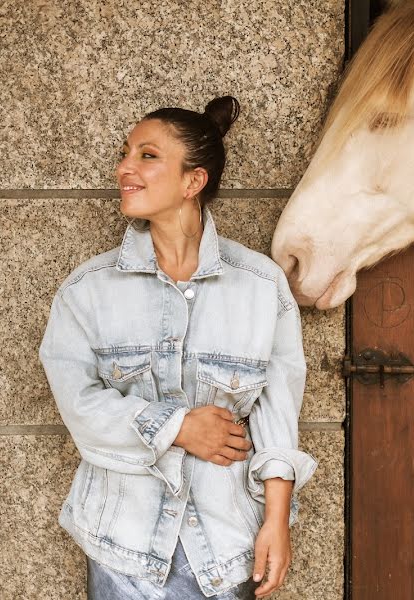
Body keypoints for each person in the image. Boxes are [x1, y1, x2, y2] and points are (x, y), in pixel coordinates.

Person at [39, 96, 317, 600]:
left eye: (147, 155)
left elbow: (278, 412)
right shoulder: (87, 291)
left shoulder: (260, 285)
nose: (125, 167)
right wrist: (179, 427)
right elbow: (80, 406)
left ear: (194, 181)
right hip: (124, 549)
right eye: (126, 153)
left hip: (226, 546)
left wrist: (278, 521)